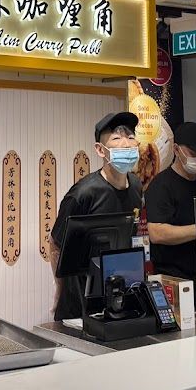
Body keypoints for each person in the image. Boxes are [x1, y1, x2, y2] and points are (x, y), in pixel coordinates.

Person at [49, 112, 143, 321]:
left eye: (130, 137)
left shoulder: (136, 186)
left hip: (119, 294)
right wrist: (60, 289)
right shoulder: (83, 193)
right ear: (100, 150)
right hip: (80, 302)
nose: (126, 144)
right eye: (117, 138)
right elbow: (55, 244)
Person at [144, 122, 196, 282]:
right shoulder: (161, 185)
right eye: (194, 153)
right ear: (176, 149)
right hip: (173, 279)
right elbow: (157, 233)